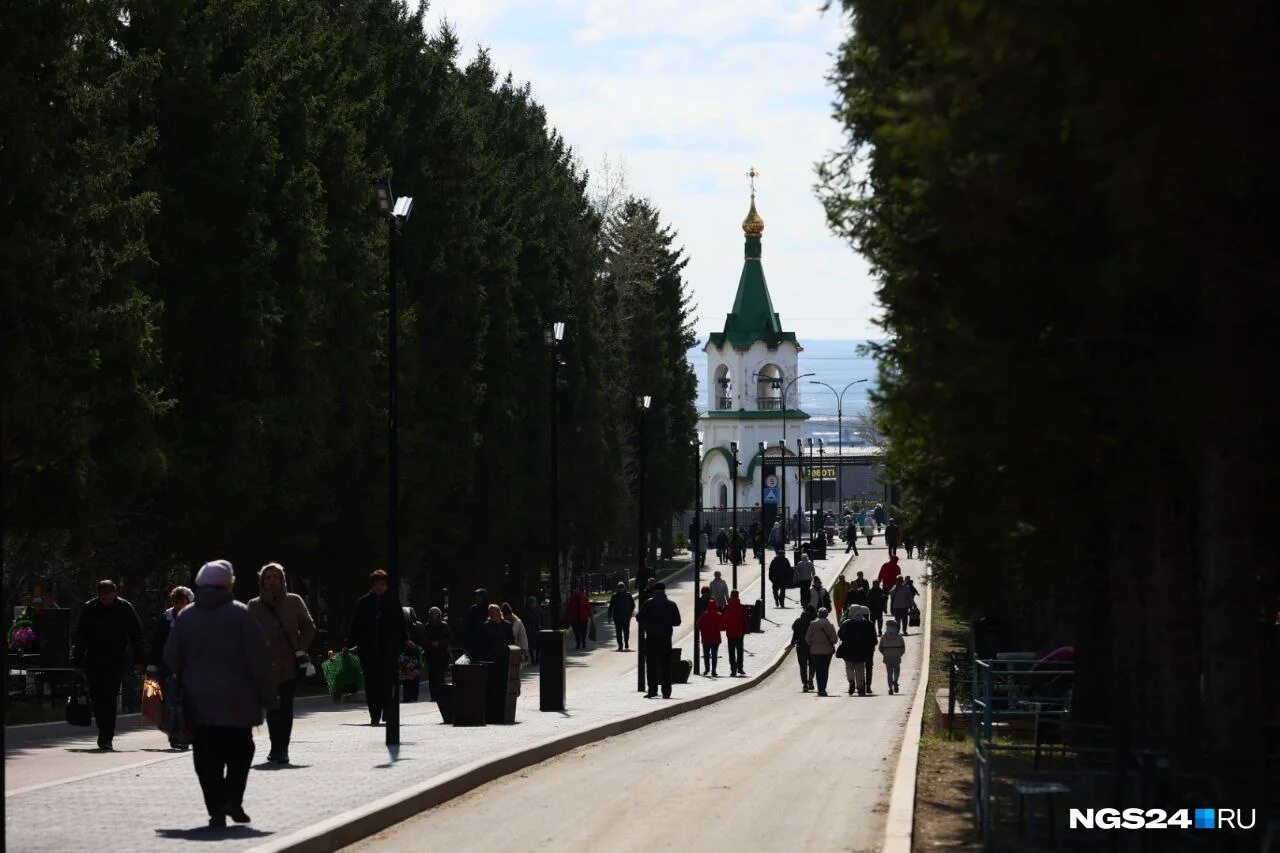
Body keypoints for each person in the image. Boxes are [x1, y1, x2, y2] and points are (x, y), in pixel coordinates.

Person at [164, 560, 273, 829]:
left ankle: (216, 809)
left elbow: (171, 656)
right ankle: (233, 799)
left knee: (205, 756)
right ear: (229, 584)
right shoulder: (241, 614)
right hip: (239, 700)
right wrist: (268, 694)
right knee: (241, 750)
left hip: (198, 702)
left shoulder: (186, 617)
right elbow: (260, 657)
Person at [248, 562, 316, 764]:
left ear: (282, 580)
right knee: (272, 709)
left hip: (289, 664)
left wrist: (301, 648)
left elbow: (309, 627)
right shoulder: (254, 605)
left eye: (276, 577)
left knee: (285, 708)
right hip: (265, 666)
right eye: (268, 578)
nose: (272, 581)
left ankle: (282, 749)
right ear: (262, 582)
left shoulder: (294, 601)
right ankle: (274, 746)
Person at [72, 579, 145, 751]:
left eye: (108, 596)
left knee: (110, 696)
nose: (105, 600)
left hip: (116, 660)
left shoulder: (125, 608)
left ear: (114, 593)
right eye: (102, 596)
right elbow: (81, 636)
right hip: (94, 660)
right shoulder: (90, 608)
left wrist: (139, 660)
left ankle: (106, 736)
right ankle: (102, 729)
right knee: (97, 696)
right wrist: (78, 662)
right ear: (98, 595)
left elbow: (136, 635)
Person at [345, 569, 406, 726]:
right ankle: (374, 714)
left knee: (388, 683)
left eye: (382, 584)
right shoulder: (364, 602)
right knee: (371, 684)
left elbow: (400, 624)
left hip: (388, 651)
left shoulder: (392, 601)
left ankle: (387, 710)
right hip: (368, 651)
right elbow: (355, 625)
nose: (379, 587)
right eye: (376, 584)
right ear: (372, 585)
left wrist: (405, 641)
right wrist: (348, 643)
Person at [148, 586, 193, 750]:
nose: (179, 606)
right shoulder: (166, 619)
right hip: (167, 668)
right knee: (169, 703)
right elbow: (157, 643)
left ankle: (185, 735)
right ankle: (174, 736)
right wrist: (152, 667)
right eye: (176, 602)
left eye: (182, 602)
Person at [636, 582, 681, 698]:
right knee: (666, 665)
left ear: (654, 591)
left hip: (651, 638)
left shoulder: (648, 603)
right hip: (666, 638)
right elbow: (677, 622)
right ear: (664, 591)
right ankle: (666, 692)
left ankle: (652, 690)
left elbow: (639, 617)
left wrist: (649, 622)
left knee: (651, 665)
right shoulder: (671, 604)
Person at [837, 606, 878, 696]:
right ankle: (860, 688)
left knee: (849, 667)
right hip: (862, 651)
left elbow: (840, 634)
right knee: (860, 669)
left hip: (848, 650)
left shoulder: (847, 623)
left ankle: (851, 680)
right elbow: (874, 639)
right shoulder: (868, 623)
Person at [803, 607, 839, 697]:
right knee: (825, 670)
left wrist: (813, 644)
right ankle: (823, 688)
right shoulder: (830, 625)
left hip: (815, 651)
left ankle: (820, 689)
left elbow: (807, 638)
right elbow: (834, 640)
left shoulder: (813, 624)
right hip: (827, 652)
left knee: (818, 670)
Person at [423, 607, 451, 700]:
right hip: (431, 655)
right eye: (432, 614)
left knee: (440, 676)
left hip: (441, 655)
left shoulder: (444, 626)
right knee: (432, 676)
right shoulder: (427, 626)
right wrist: (431, 644)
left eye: (436, 614)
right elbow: (425, 639)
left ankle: (441, 695)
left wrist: (439, 643)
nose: (434, 616)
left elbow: (447, 639)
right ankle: (433, 695)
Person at [722, 590, 749, 676]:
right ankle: (740, 668)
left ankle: (733, 670)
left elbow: (724, 619)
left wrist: (724, 627)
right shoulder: (741, 607)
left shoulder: (727, 607)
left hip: (730, 633)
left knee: (731, 652)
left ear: (730, 596)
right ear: (737, 596)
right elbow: (744, 619)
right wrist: (746, 628)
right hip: (739, 632)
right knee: (740, 651)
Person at [790, 605, 817, 692]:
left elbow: (795, 633)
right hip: (812, 647)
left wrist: (792, 643)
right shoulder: (814, 622)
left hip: (801, 647)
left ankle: (805, 684)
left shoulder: (798, 621)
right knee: (812, 664)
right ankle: (811, 680)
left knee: (803, 666)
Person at [697, 598, 724, 677]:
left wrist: (703, 630)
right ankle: (714, 670)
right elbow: (722, 626)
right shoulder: (718, 615)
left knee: (706, 654)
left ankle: (707, 669)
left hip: (706, 638)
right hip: (716, 638)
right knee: (714, 655)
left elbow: (698, 625)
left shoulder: (704, 615)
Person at [879, 620, 906, 694]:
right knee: (897, 671)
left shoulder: (884, 636)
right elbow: (903, 648)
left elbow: (880, 648)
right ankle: (895, 681)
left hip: (887, 656)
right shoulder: (899, 636)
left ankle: (890, 688)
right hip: (896, 655)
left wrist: (884, 653)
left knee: (889, 673)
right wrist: (900, 654)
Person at [606, 582, 635, 651]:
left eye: (622, 588)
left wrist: (630, 612)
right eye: (619, 588)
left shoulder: (628, 595)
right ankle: (620, 645)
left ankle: (626, 643)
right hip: (617, 617)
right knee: (618, 632)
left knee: (626, 631)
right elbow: (610, 607)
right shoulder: (614, 596)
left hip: (626, 617)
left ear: (624, 588)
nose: (621, 589)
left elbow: (633, 605)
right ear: (617, 589)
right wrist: (609, 617)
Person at [463, 588, 489, 661]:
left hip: (486, 642)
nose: (477, 599)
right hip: (474, 641)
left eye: (479, 597)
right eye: (476, 597)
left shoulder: (489, 609)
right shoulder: (473, 609)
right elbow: (468, 626)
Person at [565, 584, 592, 650]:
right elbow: (569, 607)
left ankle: (583, 643)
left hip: (583, 618)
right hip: (575, 618)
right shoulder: (572, 598)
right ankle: (578, 643)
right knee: (576, 632)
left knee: (583, 632)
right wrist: (567, 615)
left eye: (578, 589)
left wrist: (591, 616)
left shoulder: (584, 598)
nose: (576, 590)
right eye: (576, 589)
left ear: (580, 590)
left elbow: (588, 607)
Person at [523, 596, 543, 664]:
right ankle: (532, 659)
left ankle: (537, 657)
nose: (533, 604)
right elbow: (524, 620)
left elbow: (541, 618)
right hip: (530, 629)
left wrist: (541, 626)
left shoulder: (538, 609)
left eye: (534, 603)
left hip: (537, 629)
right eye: (531, 603)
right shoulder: (526, 610)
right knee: (530, 645)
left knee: (538, 645)